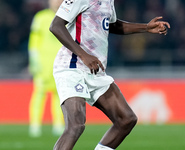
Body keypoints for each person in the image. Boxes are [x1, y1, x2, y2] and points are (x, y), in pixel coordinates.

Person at [49, 0, 170, 149]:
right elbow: (56, 25)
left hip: (95, 69)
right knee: (75, 126)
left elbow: (112, 25)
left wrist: (145, 27)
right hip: (72, 67)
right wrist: (83, 55)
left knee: (126, 119)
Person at [28, 0, 64, 137]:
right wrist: (34, 60)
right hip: (43, 64)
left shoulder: (67, 17)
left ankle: (58, 124)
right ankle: (35, 125)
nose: (57, 2)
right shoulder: (41, 17)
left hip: (61, 63)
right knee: (39, 93)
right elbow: (34, 40)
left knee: (59, 95)